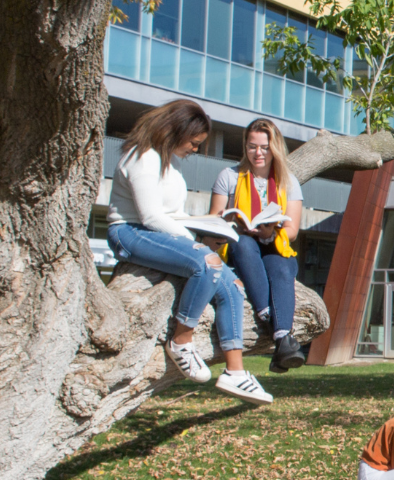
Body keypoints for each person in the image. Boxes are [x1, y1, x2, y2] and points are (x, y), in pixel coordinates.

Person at [105, 99, 270, 405]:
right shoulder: (142, 157)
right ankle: (181, 340)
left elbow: (173, 214)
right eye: (194, 143)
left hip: (157, 231)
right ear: (176, 131)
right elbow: (150, 217)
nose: (195, 150)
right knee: (207, 262)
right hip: (129, 232)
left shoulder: (170, 161)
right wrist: (196, 243)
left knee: (233, 285)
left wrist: (208, 227)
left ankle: (236, 372)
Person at [209, 119, 309, 372]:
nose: (258, 153)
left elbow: (292, 230)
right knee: (243, 244)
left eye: (264, 147)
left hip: (272, 243)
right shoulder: (229, 176)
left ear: (274, 148)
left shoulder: (288, 182)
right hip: (240, 245)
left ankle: (280, 341)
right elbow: (214, 220)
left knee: (282, 267)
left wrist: (269, 231)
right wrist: (232, 222)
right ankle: (276, 329)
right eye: (252, 146)